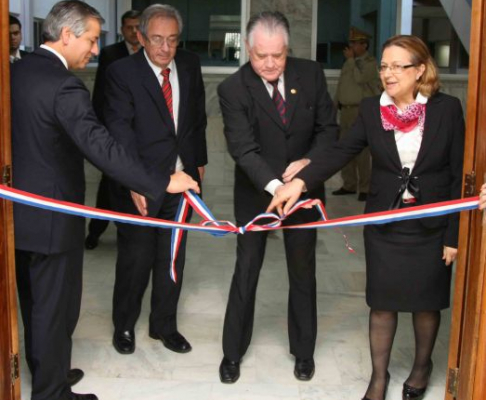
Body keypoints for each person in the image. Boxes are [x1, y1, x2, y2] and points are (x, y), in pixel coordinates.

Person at [10, 2, 199, 400]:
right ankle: (52, 392)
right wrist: (161, 182)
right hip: (54, 218)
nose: (95, 49)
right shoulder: (64, 85)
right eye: (92, 39)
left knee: (32, 302)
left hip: (19, 215)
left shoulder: (17, 71)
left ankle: (49, 370)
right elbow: (102, 147)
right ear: (66, 35)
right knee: (53, 306)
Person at [267, 35, 464, 400]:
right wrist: (301, 182)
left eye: (397, 66)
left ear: (420, 69)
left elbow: (456, 176)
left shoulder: (447, 109)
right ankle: (378, 378)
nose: (387, 74)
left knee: (426, 303)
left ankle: (422, 369)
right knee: (382, 302)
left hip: (432, 225)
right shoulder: (373, 108)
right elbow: (342, 150)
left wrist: (454, 235)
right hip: (385, 222)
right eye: (384, 65)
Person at [217, 11, 338, 384]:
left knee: (303, 272)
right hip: (257, 193)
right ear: (248, 51)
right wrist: (275, 187)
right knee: (246, 271)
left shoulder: (312, 75)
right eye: (260, 56)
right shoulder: (233, 89)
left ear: (288, 49)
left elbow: (328, 131)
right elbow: (243, 149)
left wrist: (308, 163)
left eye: (278, 55)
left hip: (304, 191)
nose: (269, 64)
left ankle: (303, 351)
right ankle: (232, 352)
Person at [104, 4, 207, 356]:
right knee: (136, 258)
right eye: (158, 40)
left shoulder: (190, 65)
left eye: (173, 40)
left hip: (183, 185)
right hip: (141, 186)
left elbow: (197, 118)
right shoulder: (121, 73)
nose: (166, 48)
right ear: (141, 37)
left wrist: (199, 162)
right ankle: (125, 325)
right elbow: (119, 134)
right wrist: (136, 182)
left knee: (172, 257)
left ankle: (164, 325)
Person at [84, 9, 142, 250]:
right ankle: (95, 231)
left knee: (137, 182)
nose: (133, 32)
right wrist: (101, 129)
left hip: (142, 132)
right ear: (122, 29)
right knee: (110, 184)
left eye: (137, 27)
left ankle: (130, 231)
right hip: (115, 130)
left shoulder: (151, 51)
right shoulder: (110, 54)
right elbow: (100, 93)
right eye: (129, 27)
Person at [333, 26, 381, 202]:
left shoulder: (370, 63)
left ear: (364, 45)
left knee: (362, 152)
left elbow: (360, 79)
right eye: (351, 43)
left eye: (354, 43)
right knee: (345, 149)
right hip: (345, 111)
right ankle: (349, 184)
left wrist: (352, 61)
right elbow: (342, 85)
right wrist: (335, 105)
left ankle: (365, 188)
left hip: (360, 111)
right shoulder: (349, 62)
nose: (351, 47)